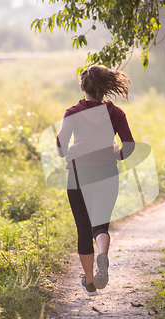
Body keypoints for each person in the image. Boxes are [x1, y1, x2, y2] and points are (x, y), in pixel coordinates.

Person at [56, 65, 135, 296]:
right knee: (100, 225)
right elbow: (129, 145)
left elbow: (61, 146)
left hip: (79, 173)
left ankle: (90, 282)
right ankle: (103, 254)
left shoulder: (72, 112)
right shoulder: (116, 114)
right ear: (105, 88)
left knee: (83, 229)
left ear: (82, 88)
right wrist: (115, 156)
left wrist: (65, 153)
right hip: (106, 172)